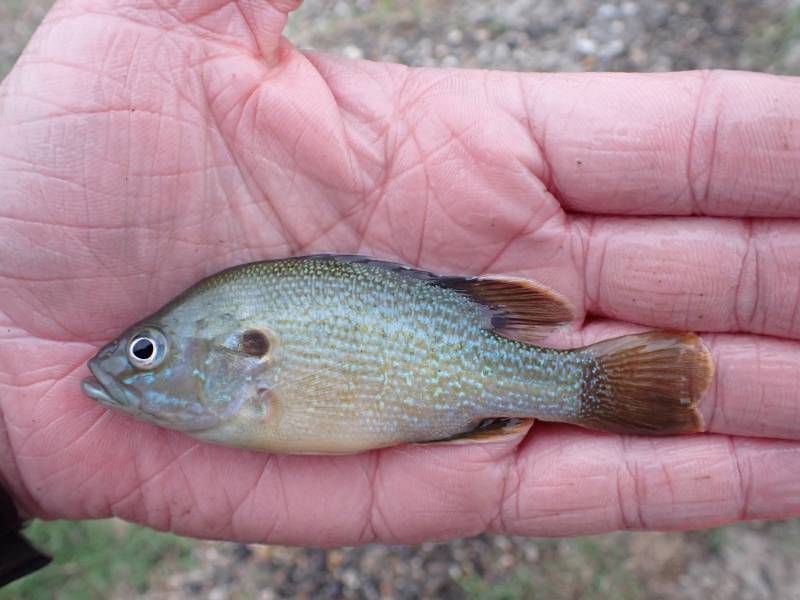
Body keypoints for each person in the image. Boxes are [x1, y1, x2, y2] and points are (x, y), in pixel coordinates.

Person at [0, 0, 798, 580]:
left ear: (239, 357)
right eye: (143, 351)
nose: (128, 364)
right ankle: (596, 384)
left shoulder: (239, 346)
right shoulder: (227, 339)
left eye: (147, 352)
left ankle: (593, 382)